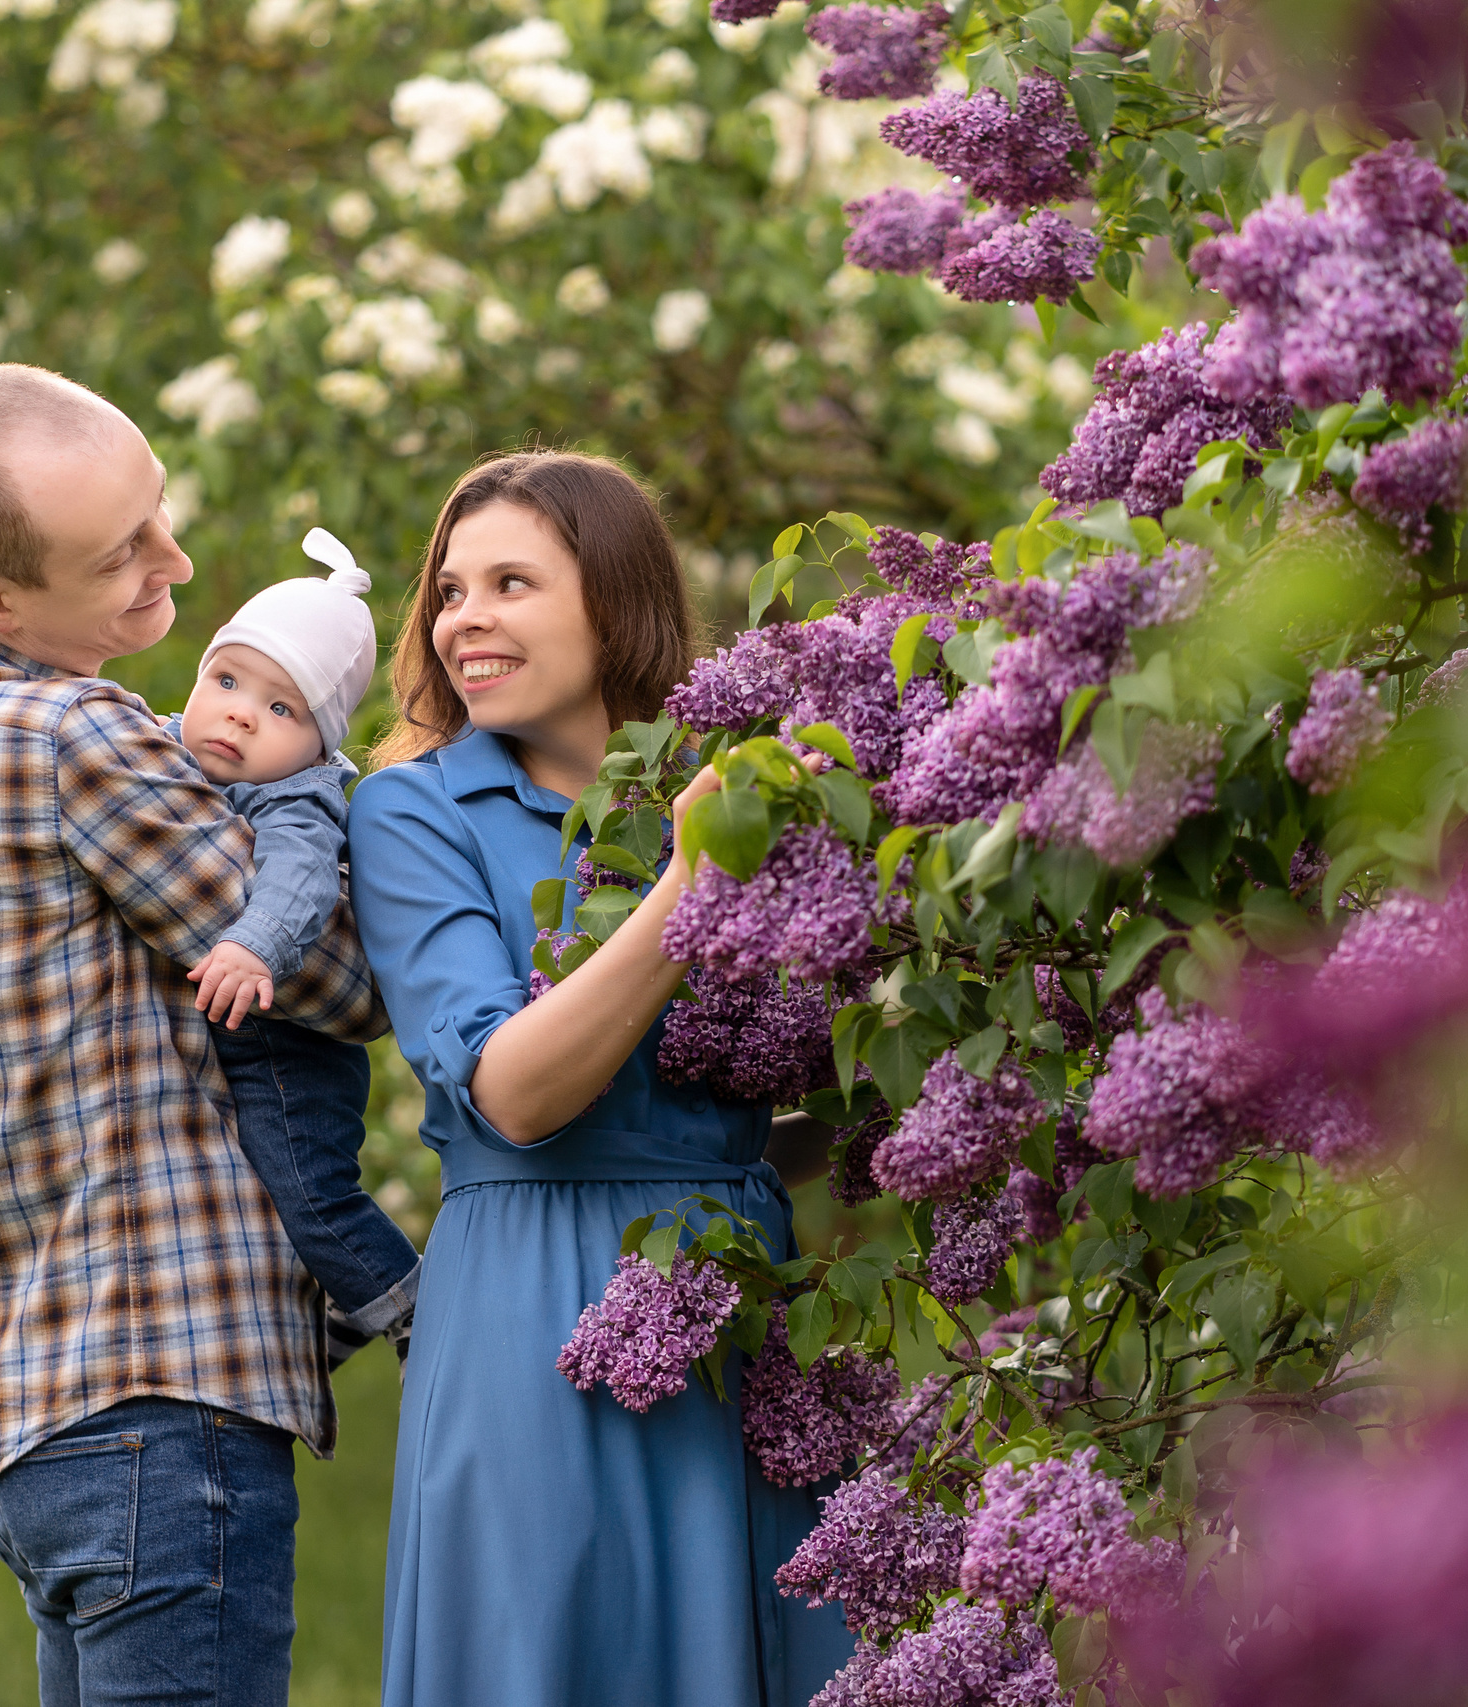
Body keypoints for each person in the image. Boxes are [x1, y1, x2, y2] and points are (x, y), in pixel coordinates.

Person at [0, 362, 384, 1707]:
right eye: (121, 554)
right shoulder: (73, 731)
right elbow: (340, 978)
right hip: (156, 1392)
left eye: (158, 513)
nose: (177, 559)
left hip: (23, 1411)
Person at [348, 450, 854, 1707]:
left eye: (511, 582)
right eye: (450, 592)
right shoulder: (416, 813)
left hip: (741, 1291)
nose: (466, 618)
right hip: (535, 1309)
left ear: (613, 599)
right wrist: (691, 875)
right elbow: (511, 1091)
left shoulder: (752, 778)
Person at [168, 526, 421, 1364]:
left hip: (293, 1050)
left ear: (322, 744)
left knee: (312, 1193)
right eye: (227, 679)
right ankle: (349, 1308)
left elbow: (301, 884)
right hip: (238, 1041)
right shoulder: (165, 746)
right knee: (258, 1195)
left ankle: (412, 1304)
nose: (240, 711)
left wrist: (255, 946)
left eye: (281, 708)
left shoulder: (297, 800)